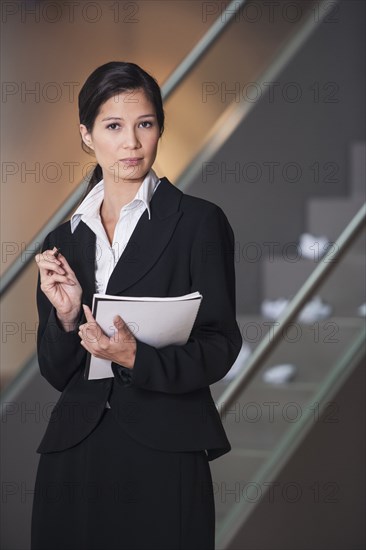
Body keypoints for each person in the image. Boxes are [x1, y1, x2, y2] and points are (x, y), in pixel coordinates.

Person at [31, 61, 242, 550]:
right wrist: (65, 315)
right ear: (86, 136)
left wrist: (135, 358)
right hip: (75, 451)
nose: (131, 142)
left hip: (164, 447)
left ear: (160, 130)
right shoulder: (64, 238)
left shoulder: (198, 222)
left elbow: (221, 344)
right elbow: (56, 371)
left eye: (145, 124)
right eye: (113, 126)